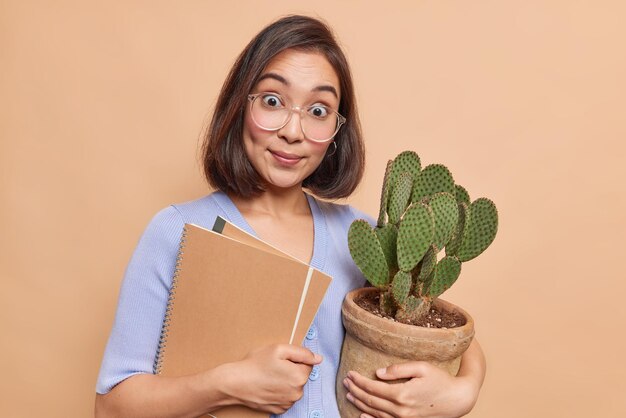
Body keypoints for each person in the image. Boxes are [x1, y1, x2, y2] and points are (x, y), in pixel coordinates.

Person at [95, 14, 486, 418]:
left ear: (337, 132)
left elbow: (452, 335)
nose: (293, 131)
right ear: (238, 106)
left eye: (318, 110)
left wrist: (464, 391)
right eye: (272, 101)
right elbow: (111, 408)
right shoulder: (176, 231)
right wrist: (225, 384)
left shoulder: (364, 237)